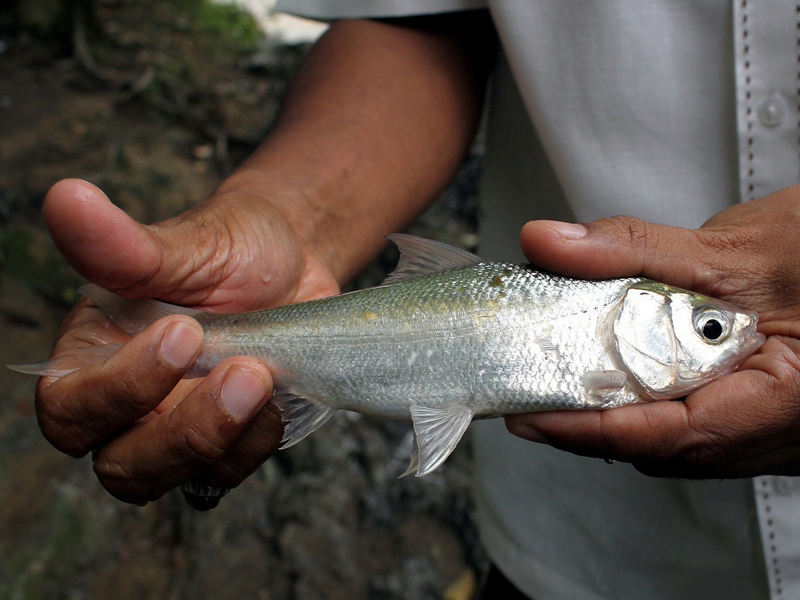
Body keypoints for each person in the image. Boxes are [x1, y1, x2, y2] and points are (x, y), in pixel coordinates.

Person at [32, 3, 800, 599]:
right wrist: (296, 219)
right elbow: (420, 22)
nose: (737, 338)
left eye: (711, 330)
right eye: (709, 328)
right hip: (567, 555)